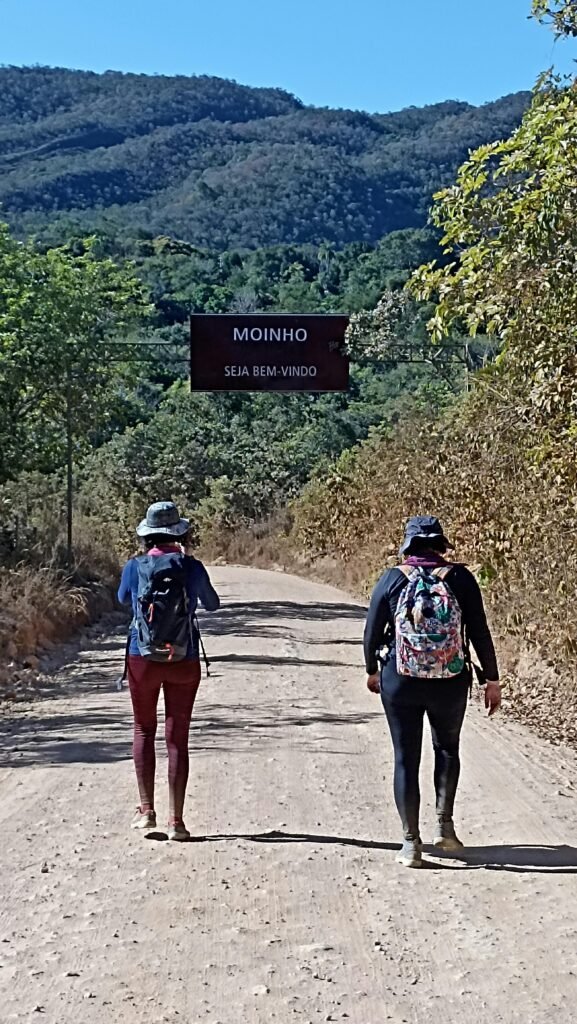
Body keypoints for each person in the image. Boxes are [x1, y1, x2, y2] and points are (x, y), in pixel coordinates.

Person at [363, 515, 501, 868]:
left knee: (406, 757)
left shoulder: (392, 578)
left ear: (407, 545)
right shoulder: (460, 578)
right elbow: (480, 632)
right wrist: (492, 680)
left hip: (401, 679)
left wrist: (372, 670)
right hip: (450, 681)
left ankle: (411, 844)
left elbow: (371, 631)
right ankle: (445, 828)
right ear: (441, 544)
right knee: (447, 749)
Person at [118, 501, 220, 840]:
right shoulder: (190, 567)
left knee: (144, 729)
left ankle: (147, 811)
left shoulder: (135, 566)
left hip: (141, 658)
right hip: (184, 656)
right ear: (180, 532)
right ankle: (177, 822)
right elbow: (213, 603)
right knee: (177, 737)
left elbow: (122, 599)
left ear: (147, 535)